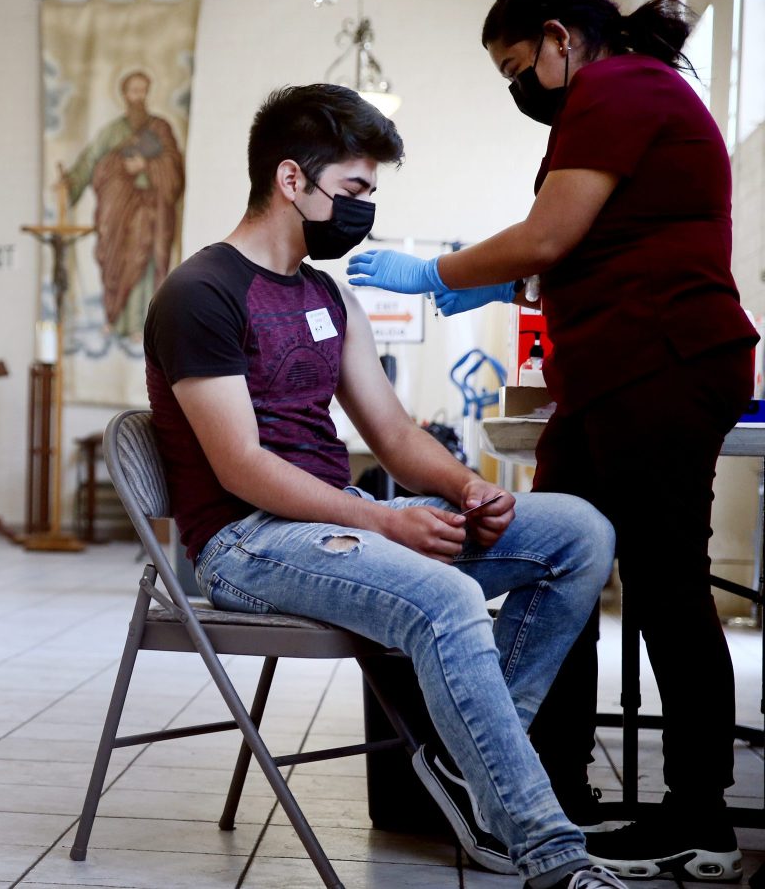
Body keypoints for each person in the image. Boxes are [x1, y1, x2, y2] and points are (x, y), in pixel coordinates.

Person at [145, 82, 623, 889]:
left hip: (339, 524)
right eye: (355, 191)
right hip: (246, 541)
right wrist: (383, 523)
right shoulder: (201, 295)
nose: (364, 209)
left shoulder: (328, 296)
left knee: (580, 532)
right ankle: (551, 852)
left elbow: (397, 437)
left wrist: (469, 490)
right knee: (445, 598)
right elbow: (243, 468)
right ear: (292, 180)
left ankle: (465, 754)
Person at [346, 0, 757, 883]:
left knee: (663, 587)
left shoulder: (620, 84)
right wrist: (494, 281)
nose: (516, 88)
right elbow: (576, 247)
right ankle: (551, 792)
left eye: (515, 65)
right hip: (615, 375)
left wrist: (436, 274)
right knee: (558, 555)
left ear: (561, 39)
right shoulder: (617, 97)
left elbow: (547, 235)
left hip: (661, 362)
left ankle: (701, 817)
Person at [58, 70, 185, 337]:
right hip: (119, 211)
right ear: (124, 95)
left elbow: (174, 167)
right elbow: (90, 160)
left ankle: (143, 325)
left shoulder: (160, 128)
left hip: (151, 209)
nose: (138, 96)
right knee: (118, 260)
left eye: (142, 90)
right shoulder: (113, 131)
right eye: (133, 91)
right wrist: (71, 182)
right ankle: (117, 320)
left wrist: (147, 166)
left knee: (144, 261)